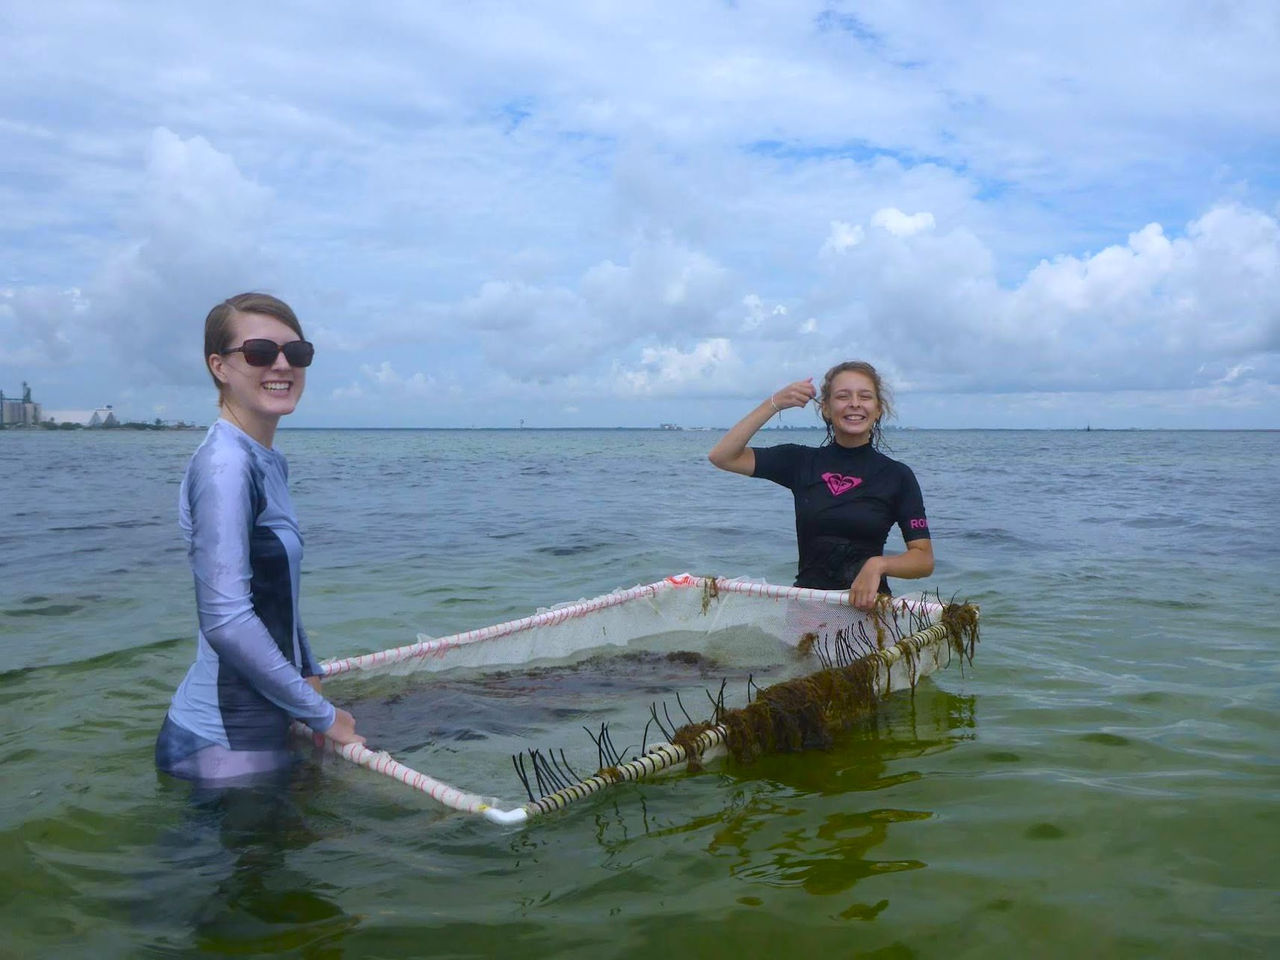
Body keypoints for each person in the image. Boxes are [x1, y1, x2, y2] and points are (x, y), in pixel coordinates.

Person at [155, 292, 364, 785]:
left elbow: (275, 598)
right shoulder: (225, 465)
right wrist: (324, 717)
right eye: (260, 352)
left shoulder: (264, 459)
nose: (283, 364)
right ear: (219, 366)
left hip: (264, 730)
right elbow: (226, 622)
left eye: (298, 352)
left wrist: (308, 677)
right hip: (222, 749)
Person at [707, 361, 933, 612]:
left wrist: (878, 565)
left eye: (865, 397)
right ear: (826, 408)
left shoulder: (897, 476)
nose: (855, 403)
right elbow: (722, 456)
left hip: (867, 613)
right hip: (807, 608)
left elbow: (923, 559)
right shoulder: (800, 462)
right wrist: (775, 403)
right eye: (843, 396)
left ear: (878, 409)